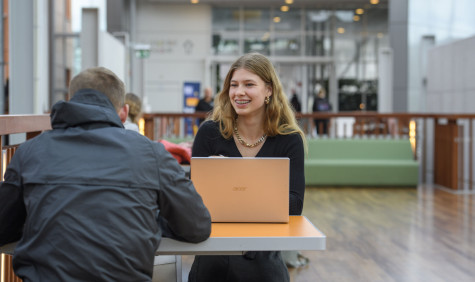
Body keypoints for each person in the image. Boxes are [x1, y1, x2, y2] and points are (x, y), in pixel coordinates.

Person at [0, 67, 211, 281]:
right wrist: (150, 220)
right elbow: (197, 226)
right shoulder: (151, 153)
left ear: (70, 100)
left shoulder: (29, 152)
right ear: (124, 112)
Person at [188, 53, 306, 282]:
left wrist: (232, 179)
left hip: (263, 260)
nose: (238, 92)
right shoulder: (209, 133)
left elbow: (294, 206)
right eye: (234, 85)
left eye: (249, 84)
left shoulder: (289, 139)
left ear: (269, 90)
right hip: (211, 258)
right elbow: (193, 202)